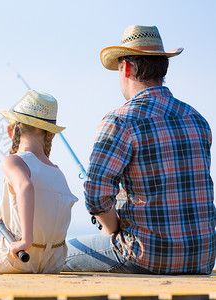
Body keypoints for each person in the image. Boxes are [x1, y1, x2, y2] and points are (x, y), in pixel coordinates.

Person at [63, 25, 215, 274]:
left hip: (145, 257)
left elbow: (95, 194)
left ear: (126, 67)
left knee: (59, 255)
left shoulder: (121, 120)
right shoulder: (197, 119)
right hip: (202, 259)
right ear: (163, 67)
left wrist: (111, 230)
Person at [0, 90, 78, 274]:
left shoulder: (14, 161)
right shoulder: (58, 173)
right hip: (53, 261)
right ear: (51, 135)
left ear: (11, 131)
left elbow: (25, 187)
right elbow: (40, 211)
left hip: (20, 255)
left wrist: (26, 240)